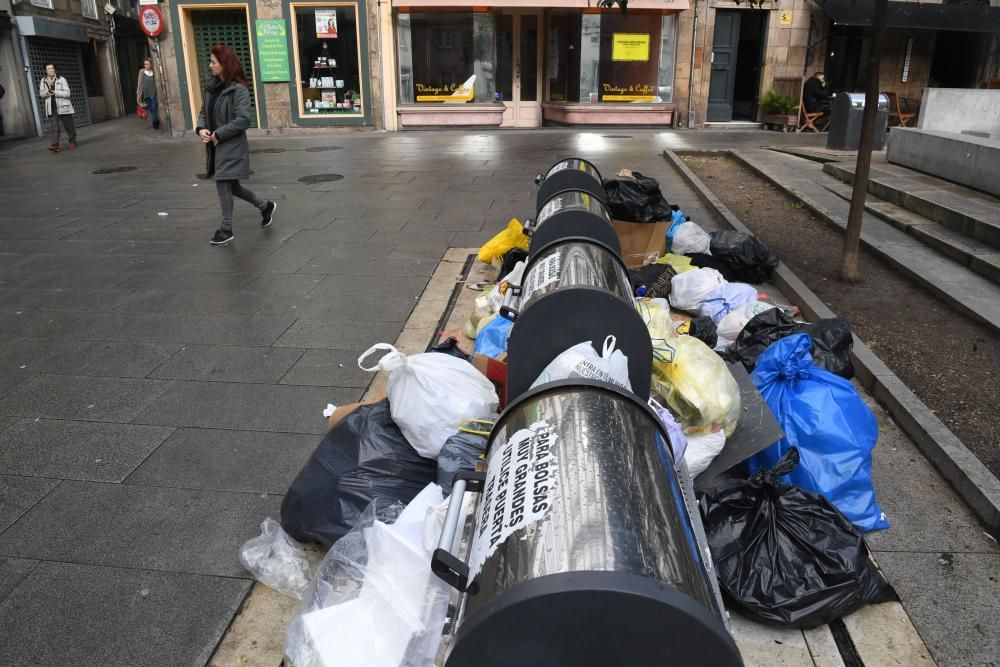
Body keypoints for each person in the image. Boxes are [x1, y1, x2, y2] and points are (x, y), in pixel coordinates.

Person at [196, 44, 277, 246]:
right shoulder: (211, 87)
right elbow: (203, 112)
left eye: (213, 62)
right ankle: (265, 206)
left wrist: (219, 134)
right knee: (233, 186)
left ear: (224, 64)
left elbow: (243, 120)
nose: (210, 65)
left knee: (223, 184)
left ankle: (226, 229)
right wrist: (201, 129)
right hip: (215, 146)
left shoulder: (238, 90)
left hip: (231, 146)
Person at [38, 64, 76, 152]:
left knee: (68, 126)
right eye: (48, 69)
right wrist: (47, 93)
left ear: (55, 69)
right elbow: (41, 94)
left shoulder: (61, 79)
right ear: (45, 71)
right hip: (51, 107)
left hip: (63, 106)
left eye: (52, 68)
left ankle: (72, 141)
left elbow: (67, 93)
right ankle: (55, 145)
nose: (50, 70)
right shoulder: (43, 81)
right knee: (55, 127)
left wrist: (55, 92)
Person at [136, 57, 160, 130]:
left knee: (154, 108)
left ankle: (155, 122)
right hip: (146, 95)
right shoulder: (142, 72)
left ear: (151, 65)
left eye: (147, 64)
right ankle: (156, 121)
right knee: (152, 109)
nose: (145, 65)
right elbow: (140, 84)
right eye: (145, 64)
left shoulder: (154, 72)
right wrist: (138, 97)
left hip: (154, 94)